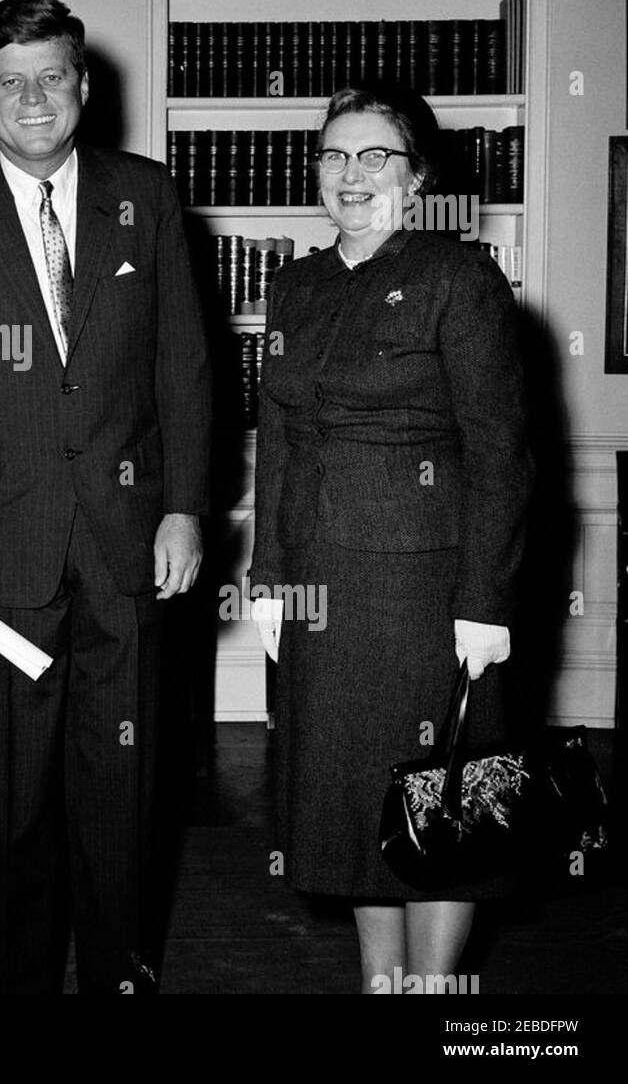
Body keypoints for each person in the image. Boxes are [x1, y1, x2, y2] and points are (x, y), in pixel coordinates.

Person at [0, 0, 212, 994]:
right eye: (10, 81)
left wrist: (185, 504)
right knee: (15, 792)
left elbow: (183, 366)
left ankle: (117, 972)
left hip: (127, 542)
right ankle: (20, 978)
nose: (33, 99)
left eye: (51, 77)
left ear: (84, 86)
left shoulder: (144, 196)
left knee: (124, 782)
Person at [250, 81, 532, 992]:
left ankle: (438, 1000)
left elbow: (503, 453)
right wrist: (267, 578)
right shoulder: (295, 283)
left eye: (376, 156)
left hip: (428, 595)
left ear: (419, 176)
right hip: (322, 590)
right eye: (335, 154)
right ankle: (381, 986)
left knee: (439, 803)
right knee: (350, 809)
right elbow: (280, 438)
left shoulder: (461, 278)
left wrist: (486, 604)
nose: (351, 174)